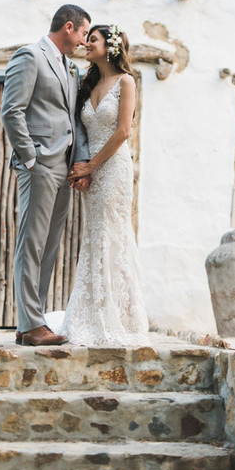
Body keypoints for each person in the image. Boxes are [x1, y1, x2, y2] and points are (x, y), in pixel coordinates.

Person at [1, 4, 91, 347]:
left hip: (64, 166)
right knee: (32, 242)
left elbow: (74, 119)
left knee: (50, 245)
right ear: (68, 27)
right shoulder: (30, 56)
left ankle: (30, 325)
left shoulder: (71, 69)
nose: (84, 41)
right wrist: (30, 157)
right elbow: (12, 110)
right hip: (39, 165)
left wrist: (80, 161)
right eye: (83, 33)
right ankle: (32, 323)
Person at [64, 24, 150, 346]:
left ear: (111, 46)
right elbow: (83, 131)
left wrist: (93, 165)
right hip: (93, 169)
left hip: (114, 170)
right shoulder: (90, 85)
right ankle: (92, 310)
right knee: (94, 235)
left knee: (113, 234)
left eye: (93, 40)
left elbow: (123, 132)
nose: (86, 43)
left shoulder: (126, 82)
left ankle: (122, 316)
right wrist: (84, 169)